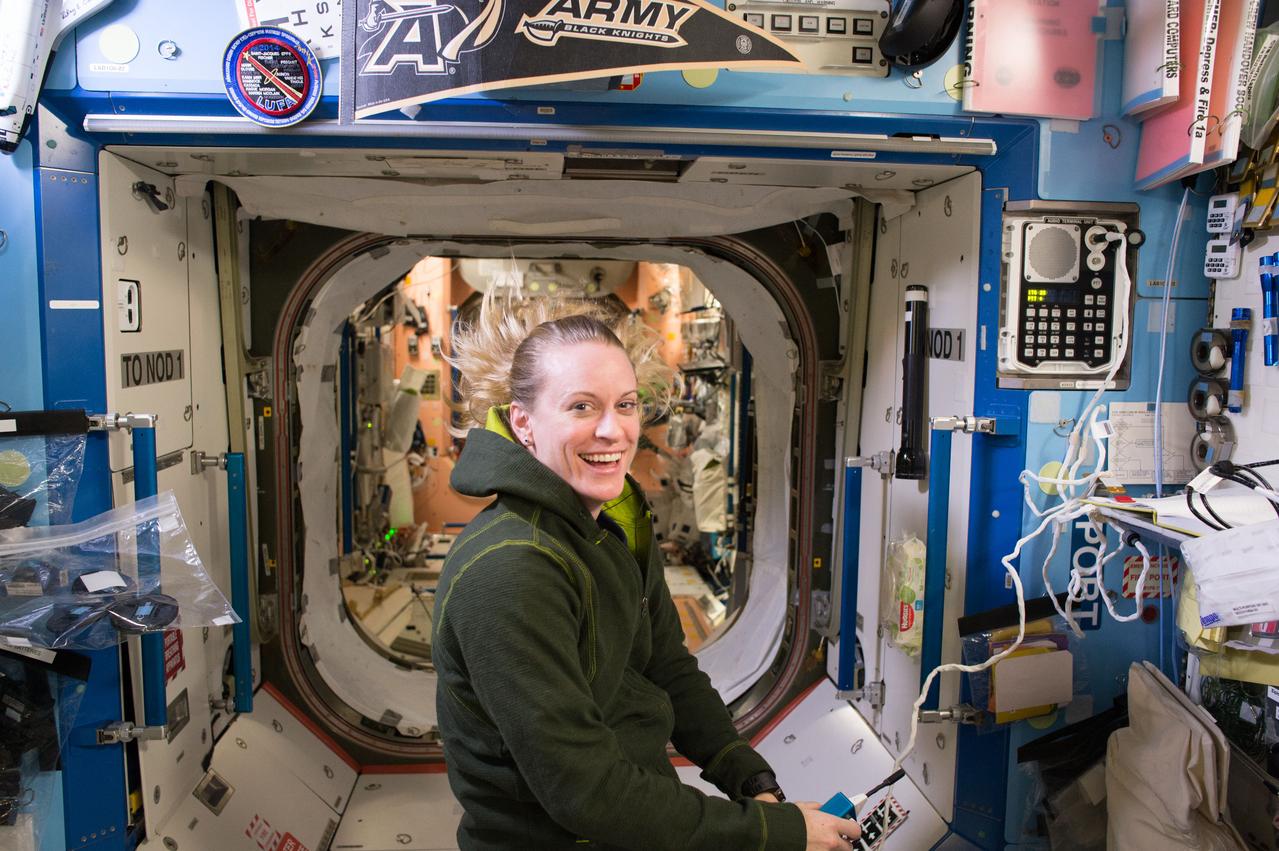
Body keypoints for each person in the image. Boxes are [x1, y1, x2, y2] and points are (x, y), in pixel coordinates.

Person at [433, 296, 861, 850]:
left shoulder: (613, 521)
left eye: (626, 404)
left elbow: (664, 664)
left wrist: (741, 771)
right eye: (581, 407)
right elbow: (584, 791)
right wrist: (769, 833)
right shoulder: (511, 568)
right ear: (523, 423)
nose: (613, 431)